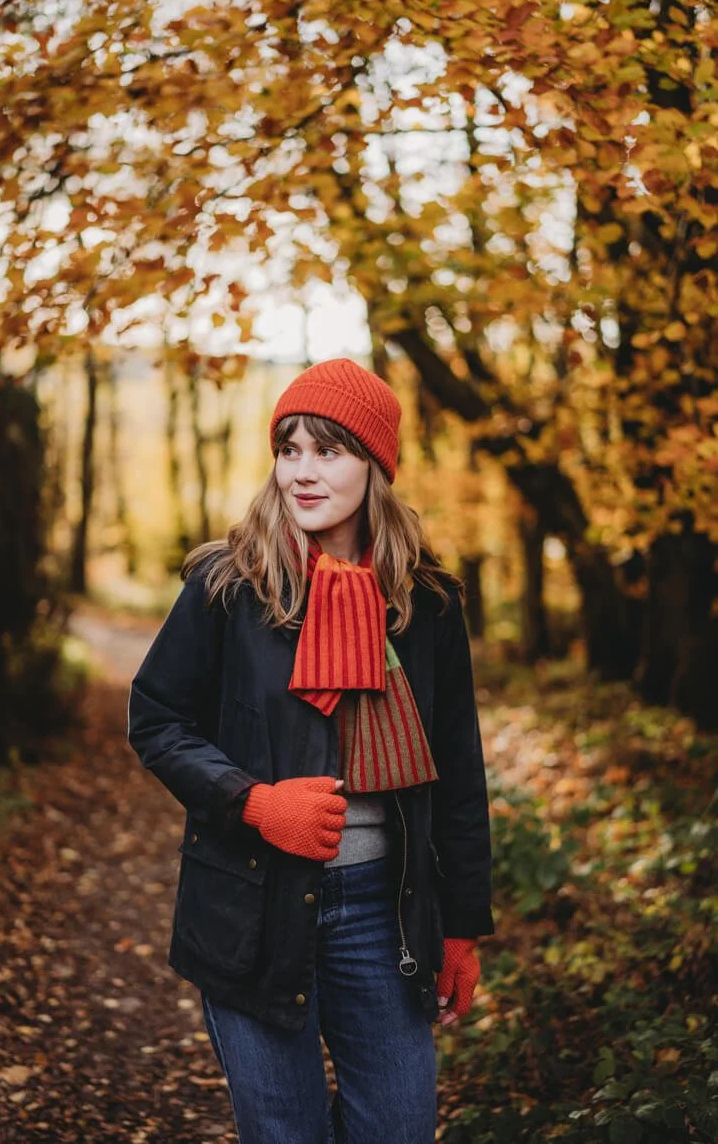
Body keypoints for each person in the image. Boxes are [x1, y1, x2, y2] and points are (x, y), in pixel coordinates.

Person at [128, 357, 493, 1144]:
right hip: (250, 905)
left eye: (327, 450)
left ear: (376, 465)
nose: (301, 471)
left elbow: (459, 772)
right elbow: (155, 718)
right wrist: (253, 802)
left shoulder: (426, 605)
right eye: (288, 449)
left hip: (384, 912)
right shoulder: (229, 586)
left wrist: (461, 924)